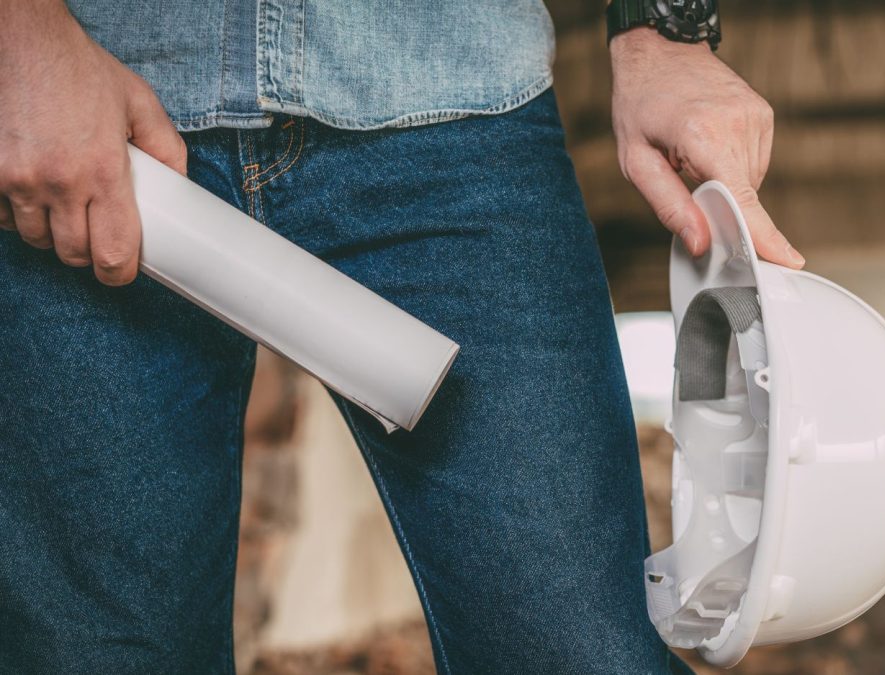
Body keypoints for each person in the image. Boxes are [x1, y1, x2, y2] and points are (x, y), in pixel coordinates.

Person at [0, 1, 803, 672]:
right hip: (94, 100)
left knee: (578, 650)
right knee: (95, 654)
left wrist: (665, 27)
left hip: (452, 94)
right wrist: (19, 35)